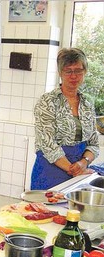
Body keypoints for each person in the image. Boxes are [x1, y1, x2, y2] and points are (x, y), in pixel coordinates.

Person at [31, 48, 100, 190]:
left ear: (85, 72)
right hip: (50, 172)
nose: (73, 76)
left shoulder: (87, 103)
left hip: (79, 170)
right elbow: (48, 144)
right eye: (68, 71)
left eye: (78, 70)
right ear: (60, 73)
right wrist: (73, 169)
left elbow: (93, 143)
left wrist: (84, 162)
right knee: (46, 211)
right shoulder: (47, 101)